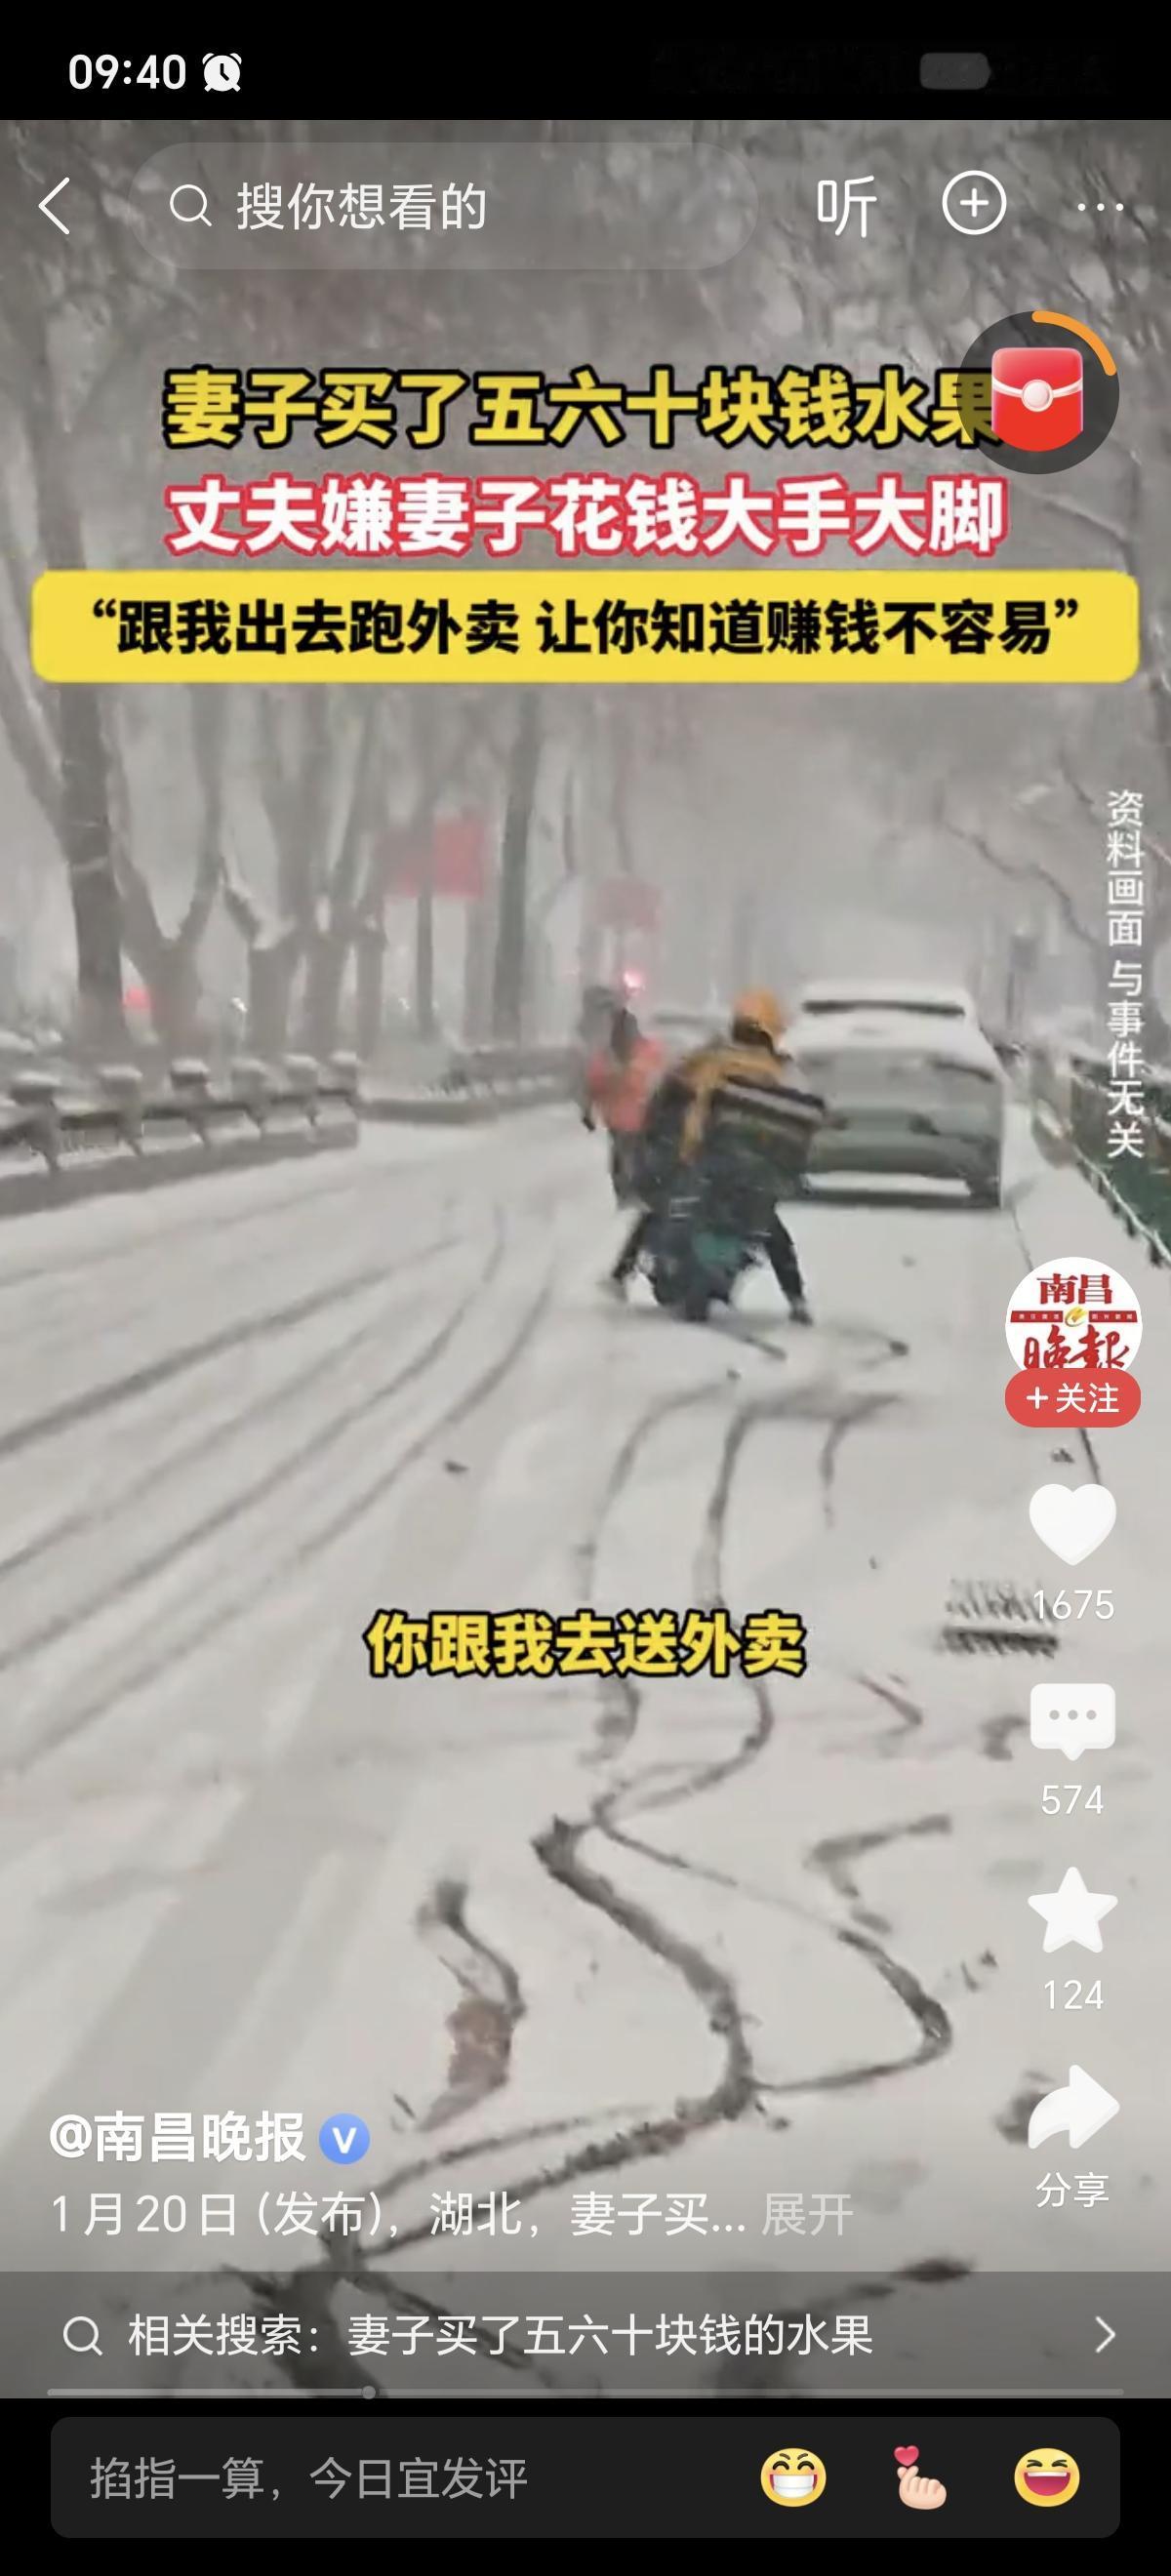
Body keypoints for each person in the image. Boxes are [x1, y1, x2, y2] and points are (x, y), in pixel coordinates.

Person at [602, 987, 821, 1318]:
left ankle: (620, 1275)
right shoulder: (782, 1072)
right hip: (754, 1177)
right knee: (772, 1229)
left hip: (702, 1164)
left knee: (656, 1209)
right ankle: (796, 1298)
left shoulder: (707, 1059)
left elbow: (666, 1099)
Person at [583, 1005, 666, 1202]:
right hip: (634, 1119)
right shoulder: (647, 1051)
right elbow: (594, 1086)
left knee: (627, 1157)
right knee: (631, 1157)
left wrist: (588, 1112)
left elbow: (593, 1086)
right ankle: (631, 1193)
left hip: (632, 1119)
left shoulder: (612, 1055)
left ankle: (629, 1193)